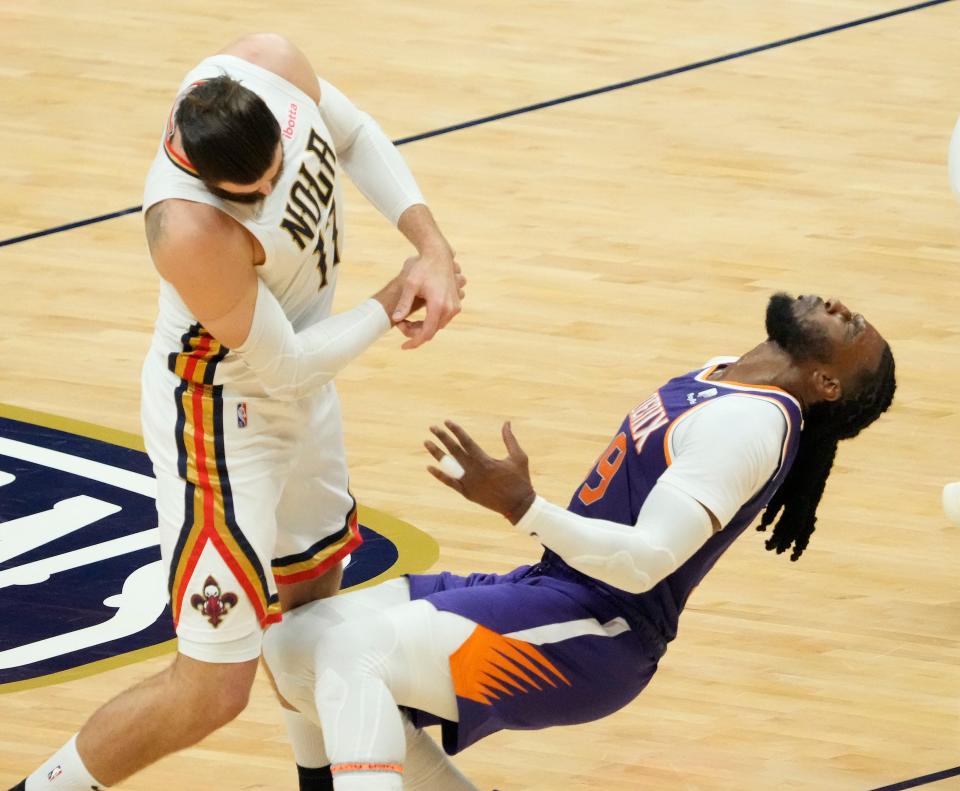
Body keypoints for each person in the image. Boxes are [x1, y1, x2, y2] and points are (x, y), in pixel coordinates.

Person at [10, 32, 463, 791]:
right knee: (212, 689)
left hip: (309, 374)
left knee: (313, 615)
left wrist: (431, 245)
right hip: (222, 418)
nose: (266, 197)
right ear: (204, 173)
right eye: (248, 194)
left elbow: (350, 132)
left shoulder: (270, 63)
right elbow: (279, 367)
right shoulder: (186, 228)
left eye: (275, 176)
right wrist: (394, 296)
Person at [259, 292, 896, 791]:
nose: (838, 306)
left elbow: (646, 562)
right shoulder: (725, 375)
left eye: (852, 325)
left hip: (599, 633)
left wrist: (523, 506)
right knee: (292, 642)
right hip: (551, 589)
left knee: (352, 653)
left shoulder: (753, 423)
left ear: (829, 384)